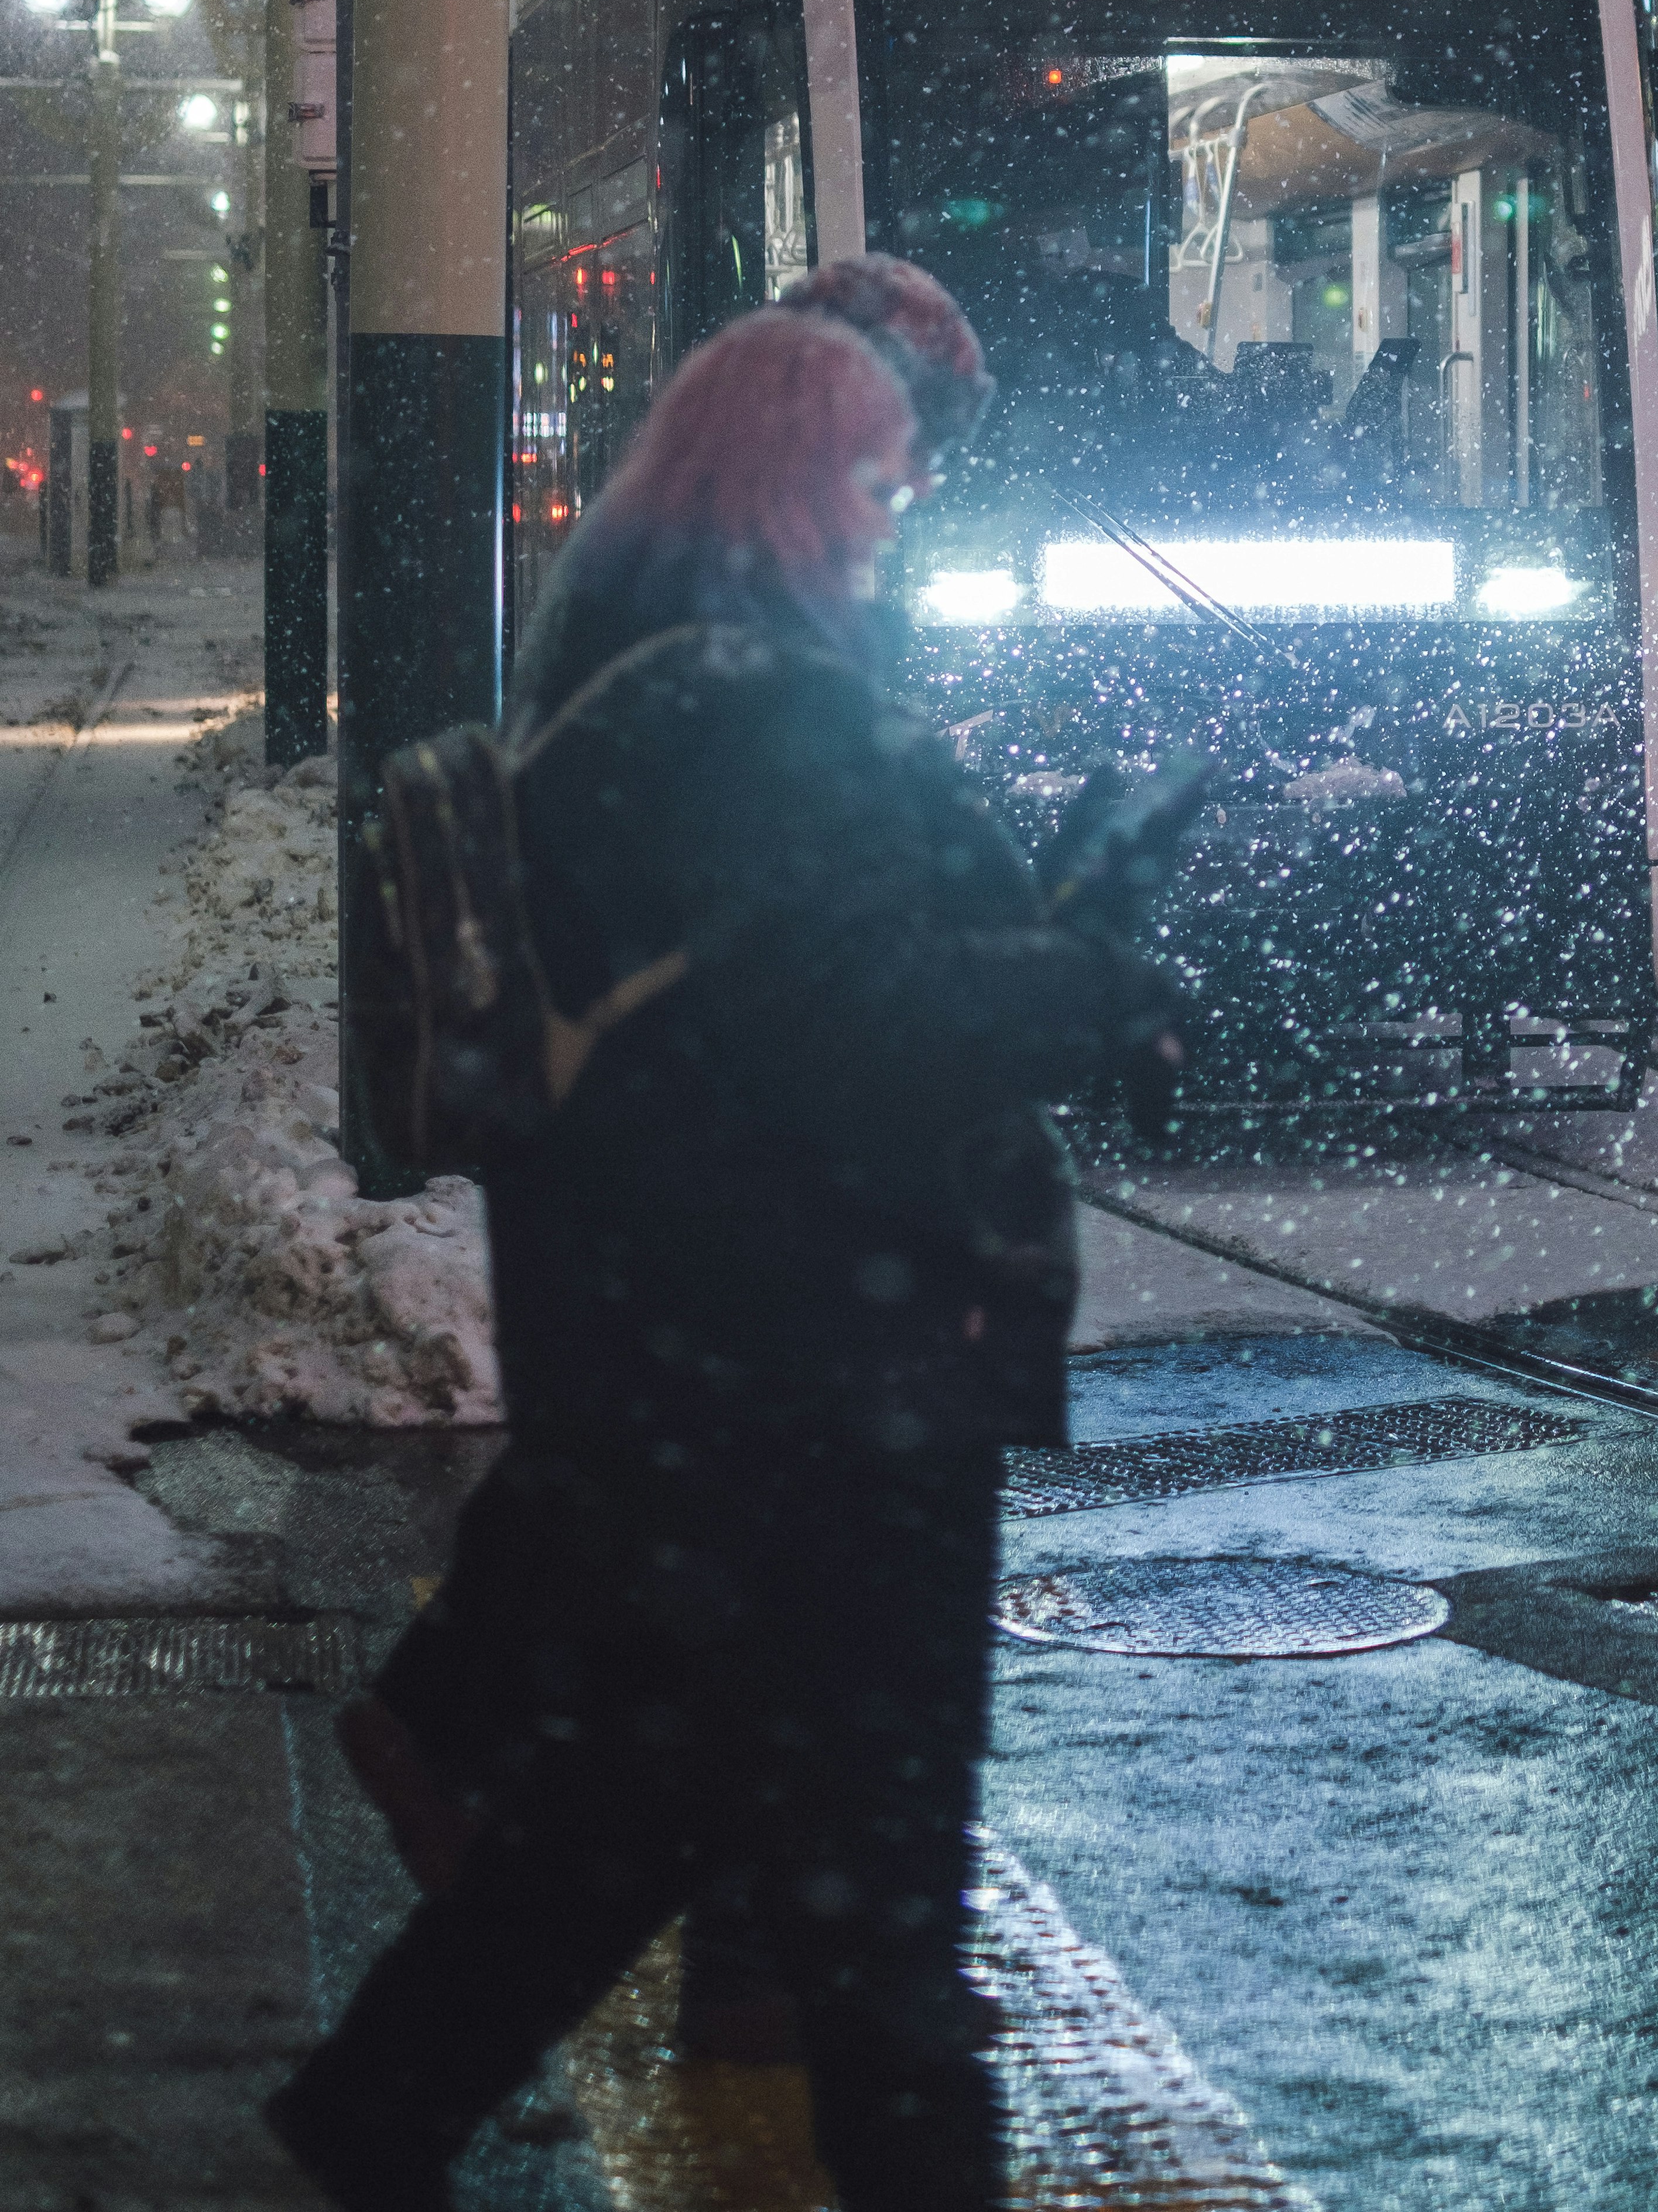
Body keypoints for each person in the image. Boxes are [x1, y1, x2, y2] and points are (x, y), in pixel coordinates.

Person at [273, 301, 1182, 2212]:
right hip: (832, 1373)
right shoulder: (776, 707)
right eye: (879, 478)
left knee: (654, 1802)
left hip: (692, 1347)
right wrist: (1097, 975)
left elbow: (759, 995)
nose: (899, 514)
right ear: (804, 486)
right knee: (878, 1878)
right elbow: (853, 1027)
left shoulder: (636, 674)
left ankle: (372, 2111)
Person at [337, 256, 1002, 2066]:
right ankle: (761, 1974)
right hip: (698, 1207)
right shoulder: (732, 632)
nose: (910, 494)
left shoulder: (666, 558)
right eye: (899, 456)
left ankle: (735, 1960)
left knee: (682, 1607)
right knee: (719, 1621)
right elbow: (789, 959)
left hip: (650, 1197)